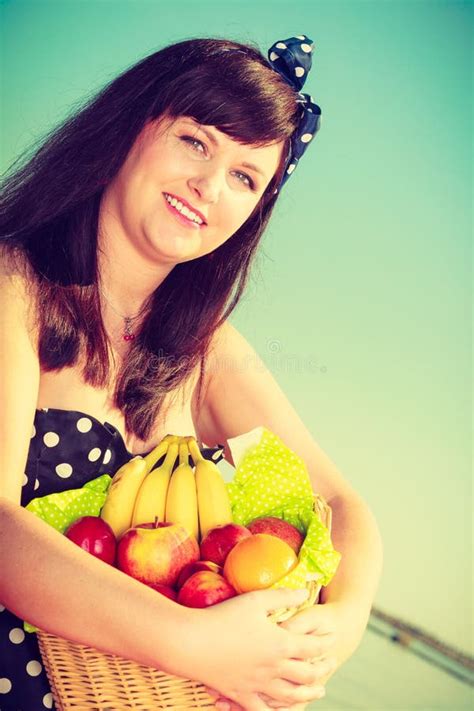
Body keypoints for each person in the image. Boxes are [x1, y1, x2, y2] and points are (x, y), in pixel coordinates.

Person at [0, 34, 383, 711]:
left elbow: (341, 507)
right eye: (196, 141)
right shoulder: (17, 288)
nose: (209, 186)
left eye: (244, 177)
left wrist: (341, 627)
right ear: (131, 127)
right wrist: (195, 642)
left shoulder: (205, 353)